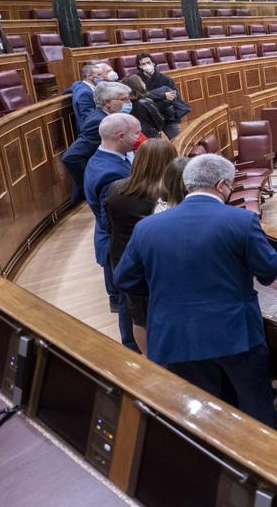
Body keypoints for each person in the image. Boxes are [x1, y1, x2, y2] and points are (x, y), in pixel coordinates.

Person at [114, 154, 277, 426]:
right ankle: (264, 462)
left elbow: (125, 279)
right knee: (255, 404)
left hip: (176, 334)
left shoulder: (147, 227)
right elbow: (269, 272)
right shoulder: (241, 221)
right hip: (235, 332)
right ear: (222, 185)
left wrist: (167, 290)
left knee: (200, 411)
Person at [104, 138, 176, 353]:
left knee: (135, 313)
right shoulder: (166, 198)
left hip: (122, 257)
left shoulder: (115, 189)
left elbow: (108, 226)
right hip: (155, 263)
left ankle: (138, 354)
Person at [84, 111, 142, 349]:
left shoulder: (104, 159)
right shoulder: (112, 174)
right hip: (120, 245)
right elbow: (114, 220)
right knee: (130, 303)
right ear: (121, 136)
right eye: (136, 133)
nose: (140, 138)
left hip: (118, 240)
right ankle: (131, 350)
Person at [62, 80, 129, 204]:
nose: (129, 103)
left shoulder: (110, 117)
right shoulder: (98, 122)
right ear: (108, 103)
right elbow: (71, 156)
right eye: (124, 99)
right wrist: (91, 184)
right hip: (106, 189)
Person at [120, 74, 166, 139]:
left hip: (133, 135)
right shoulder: (146, 102)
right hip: (150, 135)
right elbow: (159, 120)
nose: (143, 83)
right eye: (141, 81)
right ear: (138, 85)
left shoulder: (124, 103)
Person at [68, 62, 105, 133]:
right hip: (91, 131)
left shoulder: (81, 85)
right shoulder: (84, 93)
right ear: (89, 76)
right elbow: (88, 117)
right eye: (99, 75)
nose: (102, 77)